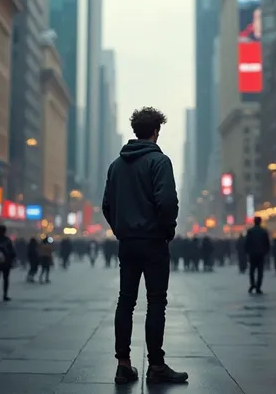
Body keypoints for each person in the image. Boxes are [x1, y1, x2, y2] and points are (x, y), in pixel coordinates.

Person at [102, 107, 188, 386]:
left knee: (125, 301)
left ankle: (123, 364)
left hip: (127, 244)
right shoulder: (159, 161)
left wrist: (121, 230)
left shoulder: (116, 165)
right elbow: (167, 202)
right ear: (155, 131)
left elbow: (106, 205)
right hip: (153, 243)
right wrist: (167, 230)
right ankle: (156, 366)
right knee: (156, 302)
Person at [245, 216, 270, 295]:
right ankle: (258, 287)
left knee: (252, 271)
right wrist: (265, 252)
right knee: (260, 272)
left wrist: (247, 252)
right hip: (261, 254)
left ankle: (252, 285)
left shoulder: (250, 231)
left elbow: (246, 243)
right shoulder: (264, 231)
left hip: (252, 254)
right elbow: (267, 244)